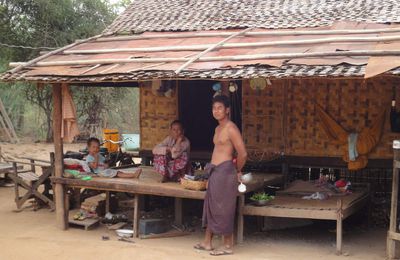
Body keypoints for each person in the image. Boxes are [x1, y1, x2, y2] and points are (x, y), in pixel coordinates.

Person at [194, 95, 247, 256]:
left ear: (227, 110)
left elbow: (243, 153)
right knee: (211, 206)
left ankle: (227, 245)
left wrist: (236, 170)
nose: (216, 111)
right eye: (214, 108)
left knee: (224, 208)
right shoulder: (217, 129)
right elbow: (216, 152)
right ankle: (207, 242)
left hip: (225, 172)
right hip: (215, 172)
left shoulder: (231, 128)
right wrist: (210, 176)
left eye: (220, 108)